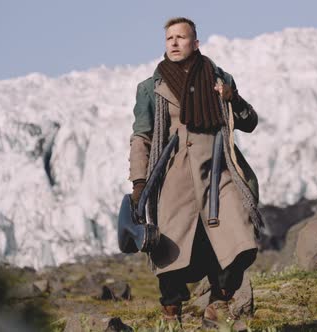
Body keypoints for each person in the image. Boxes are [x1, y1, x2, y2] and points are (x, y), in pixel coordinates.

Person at [128, 17, 263, 329]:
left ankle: (220, 301)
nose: (174, 43)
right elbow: (141, 137)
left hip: (219, 172)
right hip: (174, 177)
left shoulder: (220, 78)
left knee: (240, 237)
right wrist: (139, 182)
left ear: (196, 43)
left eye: (181, 37)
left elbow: (250, 121)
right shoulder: (151, 88)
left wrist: (232, 98)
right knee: (170, 249)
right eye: (169, 38)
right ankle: (171, 313)